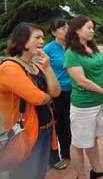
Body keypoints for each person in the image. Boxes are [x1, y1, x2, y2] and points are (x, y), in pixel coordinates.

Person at [0, 23, 60, 179]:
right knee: (25, 173)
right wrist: (48, 96)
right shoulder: (9, 67)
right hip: (25, 132)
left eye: (43, 38)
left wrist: (48, 67)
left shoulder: (37, 65)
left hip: (46, 128)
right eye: (37, 37)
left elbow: (56, 91)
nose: (42, 42)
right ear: (23, 40)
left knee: (40, 172)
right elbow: (37, 98)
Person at [63, 15, 103, 179]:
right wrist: (101, 91)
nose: (92, 31)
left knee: (91, 139)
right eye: (89, 28)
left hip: (99, 102)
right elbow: (81, 81)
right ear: (77, 30)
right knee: (78, 143)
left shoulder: (93, 48)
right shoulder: (71, 53)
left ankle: (97, 172)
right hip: (84, 106)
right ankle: (81, 176)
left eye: (93, 28)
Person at [44, 18, 72, 170]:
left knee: (68, 123)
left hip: (73, 90)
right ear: (54, 32)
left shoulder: (72, 46)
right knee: (59, 124)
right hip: (57, 92)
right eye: (62, 28)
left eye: (67, 27)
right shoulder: (48, 49)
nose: (66, 30)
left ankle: (67, 154)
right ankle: (55, 157)